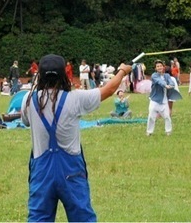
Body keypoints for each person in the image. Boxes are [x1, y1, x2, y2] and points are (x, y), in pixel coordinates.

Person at [21, 53, 132, 222]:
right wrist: (123, 71)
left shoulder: (28, 100)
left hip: (41, 171)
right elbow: (109, 90)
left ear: (40, 76)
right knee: (82, 217)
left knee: (38, 218)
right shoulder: (76, 98)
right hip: (71, 171)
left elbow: (26, 121)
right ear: (65, 75)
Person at [146, 60, 175, 136]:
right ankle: (149, 132)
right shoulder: (154, 75)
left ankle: (168, 131)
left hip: (164, 101)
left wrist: (171, 85)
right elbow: (159, 81)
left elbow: (171, 82)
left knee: (167, 117)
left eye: (160, 66)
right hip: (154, 100)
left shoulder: (167, 76)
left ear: (163, 67)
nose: (159, 67)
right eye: (157, 66)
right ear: (155, 68)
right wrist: (165, 85)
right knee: (151, 117)